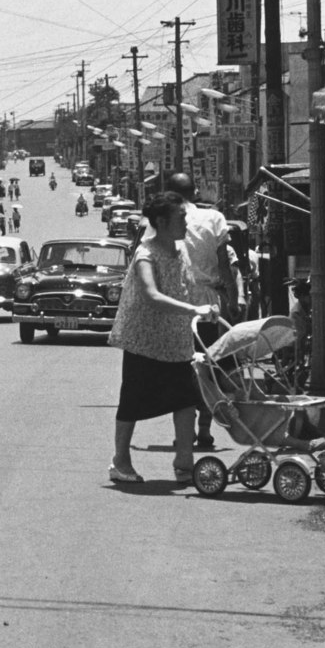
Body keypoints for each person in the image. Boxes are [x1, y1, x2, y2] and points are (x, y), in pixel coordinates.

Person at [106, 191, 219, 484]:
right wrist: (195, 308)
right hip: (144, 340)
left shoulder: (179, 251)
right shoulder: (146, 254)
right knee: (132, 400)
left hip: (175, 340)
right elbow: (152, 295)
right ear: (161, 221)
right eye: (181, 217)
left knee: (185, 401)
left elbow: (184, 287)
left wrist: (209, 305)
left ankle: (184, 461)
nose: (186, 222)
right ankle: (120, 461)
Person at [144, 173, 236, 450]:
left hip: (174, 304)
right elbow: (224, 264)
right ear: (195, 192)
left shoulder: (160, 222)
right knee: (207, 366)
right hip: (208, 305)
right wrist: (232, 300)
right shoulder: (214, 218)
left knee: (181, 370)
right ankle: (204, 429)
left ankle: (183, 431)